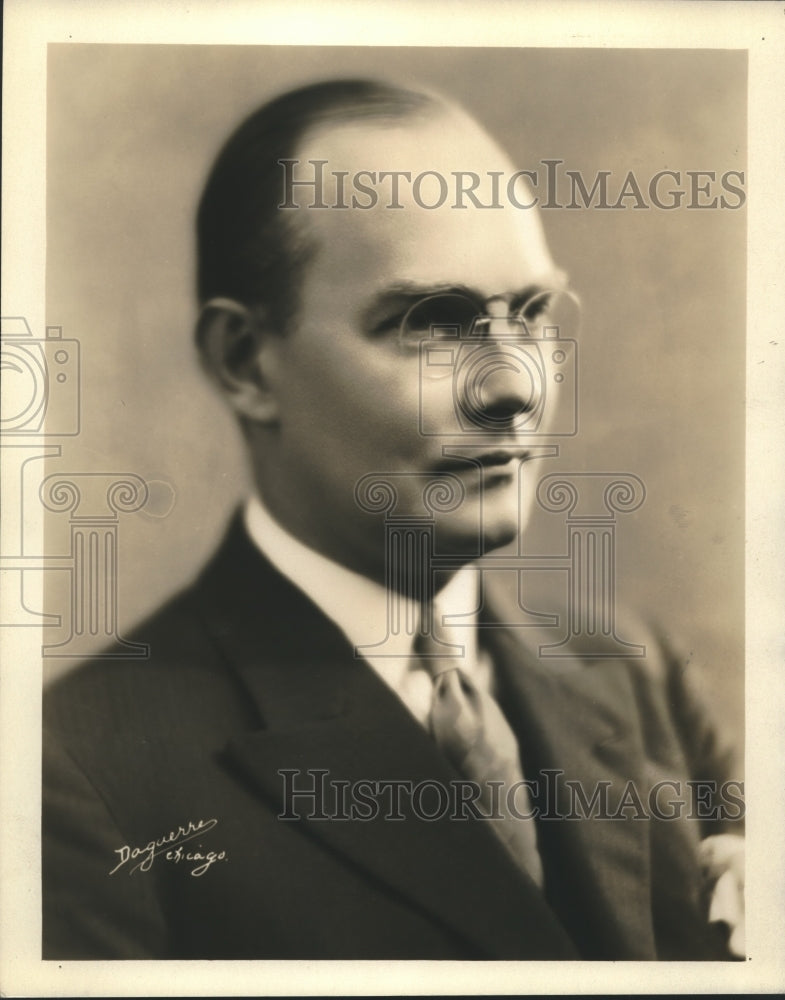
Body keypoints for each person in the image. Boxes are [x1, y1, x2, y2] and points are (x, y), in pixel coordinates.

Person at [42, 78, 744, 961]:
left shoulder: (637, 677)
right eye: (431, 323)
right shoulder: (77, 774)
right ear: (245, 364)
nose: (513, 386)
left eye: (529, 314)